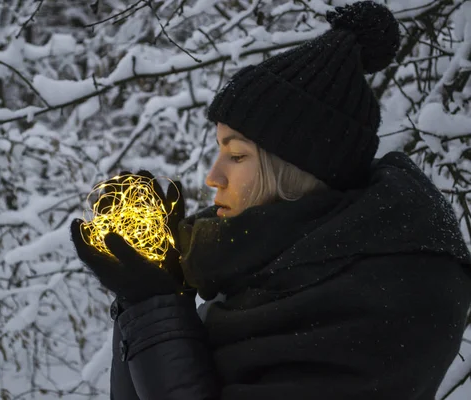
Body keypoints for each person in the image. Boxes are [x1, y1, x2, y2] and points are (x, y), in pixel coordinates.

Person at [71, 1, 471, 399]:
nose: (213, 177)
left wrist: (154, 309)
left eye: (237, 155)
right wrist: (152, 303)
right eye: (218, 150)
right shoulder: (263, 264)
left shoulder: (381, 305)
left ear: (296, 168)